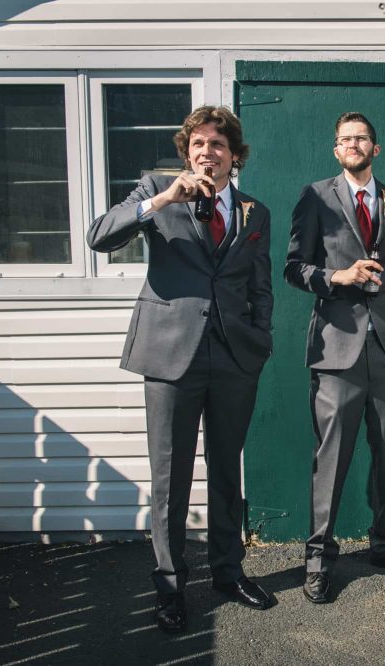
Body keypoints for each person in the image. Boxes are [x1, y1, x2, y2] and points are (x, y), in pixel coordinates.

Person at [88, 106, 275, 633]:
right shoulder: (154, 188)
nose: (206, 153)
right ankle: (169, 587)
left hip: (235, 357)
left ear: (233, 157)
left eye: (218, 145)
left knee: (224, 468)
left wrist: (260, 340)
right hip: (171, 356)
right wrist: (165, 198)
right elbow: (100, 236)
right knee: (170, 478)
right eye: (197, 144)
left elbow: (259, 285)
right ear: (185, 151)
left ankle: (228, 572)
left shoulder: (254, 211)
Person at [285, 112, 385, 604]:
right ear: (336, 149)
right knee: (332, 459)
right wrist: (336, 277)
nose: (353, 144)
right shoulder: (314, 196)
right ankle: (319, 560)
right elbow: (293, 268)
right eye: (345, 138)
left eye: (361, 137)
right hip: (337, 346)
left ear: (376, 148)